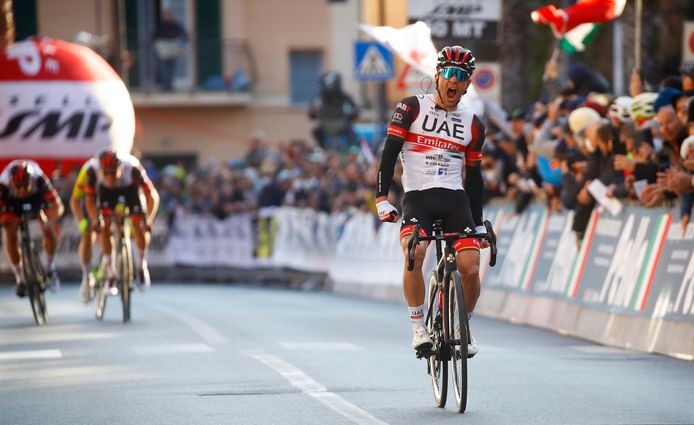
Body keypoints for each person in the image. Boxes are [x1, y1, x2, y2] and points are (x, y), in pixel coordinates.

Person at [375, 46, 487, 357]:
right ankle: (417, 327)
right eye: (449, 74)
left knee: (470, 266)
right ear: (437, 76)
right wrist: (382, 198)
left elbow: (475, 180)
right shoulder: (411, 107)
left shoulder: (474, 124)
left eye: (461, 77)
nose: (454, 81)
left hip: (455, 200)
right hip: (418, 199)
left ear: (466, 85)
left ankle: (462, 326)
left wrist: (477, 222)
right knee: (415, 251)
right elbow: (388, 154)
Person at [85, 150, 160, 291]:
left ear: (120, 168)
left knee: (139, 225)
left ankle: (141, 265)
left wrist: (148, 220)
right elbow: (89, 200)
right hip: (106, 193)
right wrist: (96, 220)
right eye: (105, 173)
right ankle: (110, 271)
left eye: (113, 173)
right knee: (104, 226)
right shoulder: (93, 171)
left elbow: (152, 195)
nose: (110, 177)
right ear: (100, 170)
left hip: (129, 189)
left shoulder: (132, 168)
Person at [0, 160, 64, 297]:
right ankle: (20, 278)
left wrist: (51, 221)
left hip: (35, 198)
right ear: (12, 183)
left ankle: (50, 268)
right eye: (18, 186)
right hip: (12, 202)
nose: (22, 190)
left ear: (30, 180)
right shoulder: (4, 184)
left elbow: (57, 205)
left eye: (25, 185)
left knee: (47, 228)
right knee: (10, 233)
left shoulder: (39, 179)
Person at [70, 156, 99, 303]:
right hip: (91, 201)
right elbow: (75, 200)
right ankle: (86, 276)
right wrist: (82, 221)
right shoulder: (87, 171)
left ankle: (112, 262)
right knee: (88, 234)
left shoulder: (124, 171)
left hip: (112, 199)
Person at [308, 72, 358, 152]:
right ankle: (322, 148)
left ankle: (351, 148)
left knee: (351, 132)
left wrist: (351, 114)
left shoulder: (345, 98)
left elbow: (355, 112)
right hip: (325, 126)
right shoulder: (319, 99)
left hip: (342, 125)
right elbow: (311, 114)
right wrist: (315, 111)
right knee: (316, 131)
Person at [152, 9, 187, 91]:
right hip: (163, 50)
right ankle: (165, 86)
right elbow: (154, 36)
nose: (167, 17)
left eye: (169, 15)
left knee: (171, 68)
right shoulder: (161, 26)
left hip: (173, 50)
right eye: (166, 15)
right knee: (163, 68)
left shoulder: (175, 25)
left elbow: (183, 34)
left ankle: (169, 85)